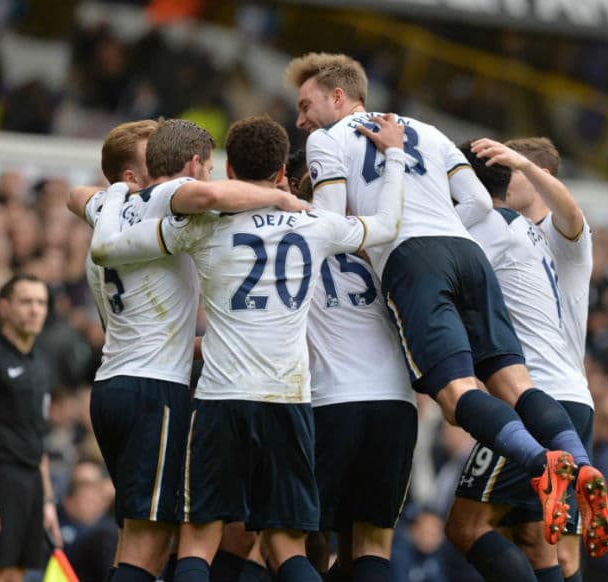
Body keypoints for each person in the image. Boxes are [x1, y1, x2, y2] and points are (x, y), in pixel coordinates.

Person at [285, 52, 595, 579]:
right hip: (464, 251)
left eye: (305, 105)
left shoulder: (327, 140)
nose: (301, 120)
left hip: (412, 261)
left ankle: (542, 462)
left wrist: (374, 236)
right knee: (512, 384)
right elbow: (476, 205)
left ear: (339, 97)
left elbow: (333, 223)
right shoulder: (426, 129)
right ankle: (573, 460)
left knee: (455, 398)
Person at [88, 113, 407, 582]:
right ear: (282, 171)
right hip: (289, 398)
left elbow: (113, 248)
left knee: (198, 538)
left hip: (220, 398)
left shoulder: (201, 228)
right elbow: (387, 223)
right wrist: (395, 156)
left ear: (230, 170)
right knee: (287, 545)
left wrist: (110, 198)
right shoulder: (317, 224)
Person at [71, 118, 309, 582]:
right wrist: (283, 197)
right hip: (153, 392)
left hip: (113, 385)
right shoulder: (161, 198)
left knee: (141, 539)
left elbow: (74, 195)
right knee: (151, 542)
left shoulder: (106, 213)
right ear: (132, 175)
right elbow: (213, 196)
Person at [445, 148, 608, 582]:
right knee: (543, 546)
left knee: (466, 526)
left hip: (534, 398)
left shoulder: (533, 234)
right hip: (573, 398)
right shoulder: (534, 239)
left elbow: (570, 211)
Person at [292, 169, 417, 582]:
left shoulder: (294, 250)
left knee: (303, 529)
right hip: (396, 402)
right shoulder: (382, 253)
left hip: (333, 400)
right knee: (370, 541)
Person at [0, 273, 61, 581]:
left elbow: (38, 437)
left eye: (41, 302)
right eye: (26, 302)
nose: (35, 310)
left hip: (31, 484)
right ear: (4, 307)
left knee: (17, 573)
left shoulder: (42, 362)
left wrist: (48, 501)